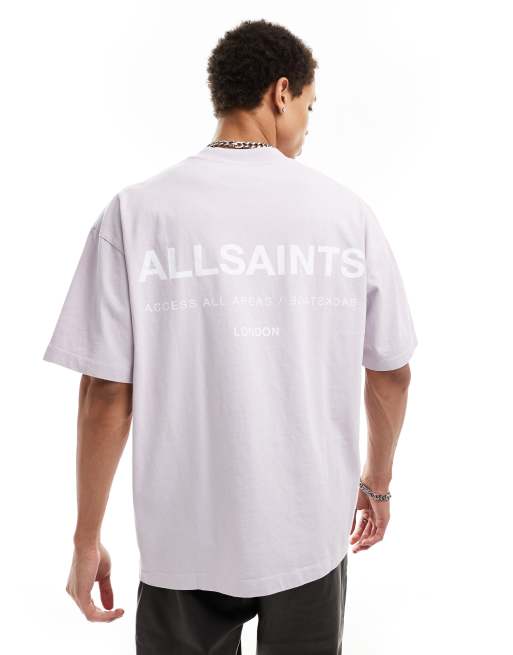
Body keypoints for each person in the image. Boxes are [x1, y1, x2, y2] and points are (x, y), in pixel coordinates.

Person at [42, 18, 417, 655]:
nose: (308, 124)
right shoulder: (346, 215)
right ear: (280, 92)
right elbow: (390, 374)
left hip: (182, 541)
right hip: (306, 535)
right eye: (309, 106)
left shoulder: (137, 212)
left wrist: (86, 538)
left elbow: (105, 393)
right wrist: (375, 483)